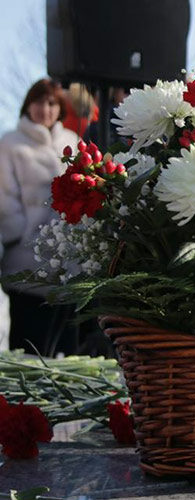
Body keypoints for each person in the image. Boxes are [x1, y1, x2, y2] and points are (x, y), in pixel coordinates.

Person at [0, 78, 79, 356]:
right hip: (26, 262)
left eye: (51, 103)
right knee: (28, 350)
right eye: (38, 101)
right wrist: (19, 236)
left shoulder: (71, 142)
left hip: (68, 267)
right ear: (27, 104)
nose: (44, 109)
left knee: (68, 353)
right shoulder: (10, 143)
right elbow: (4, 197)